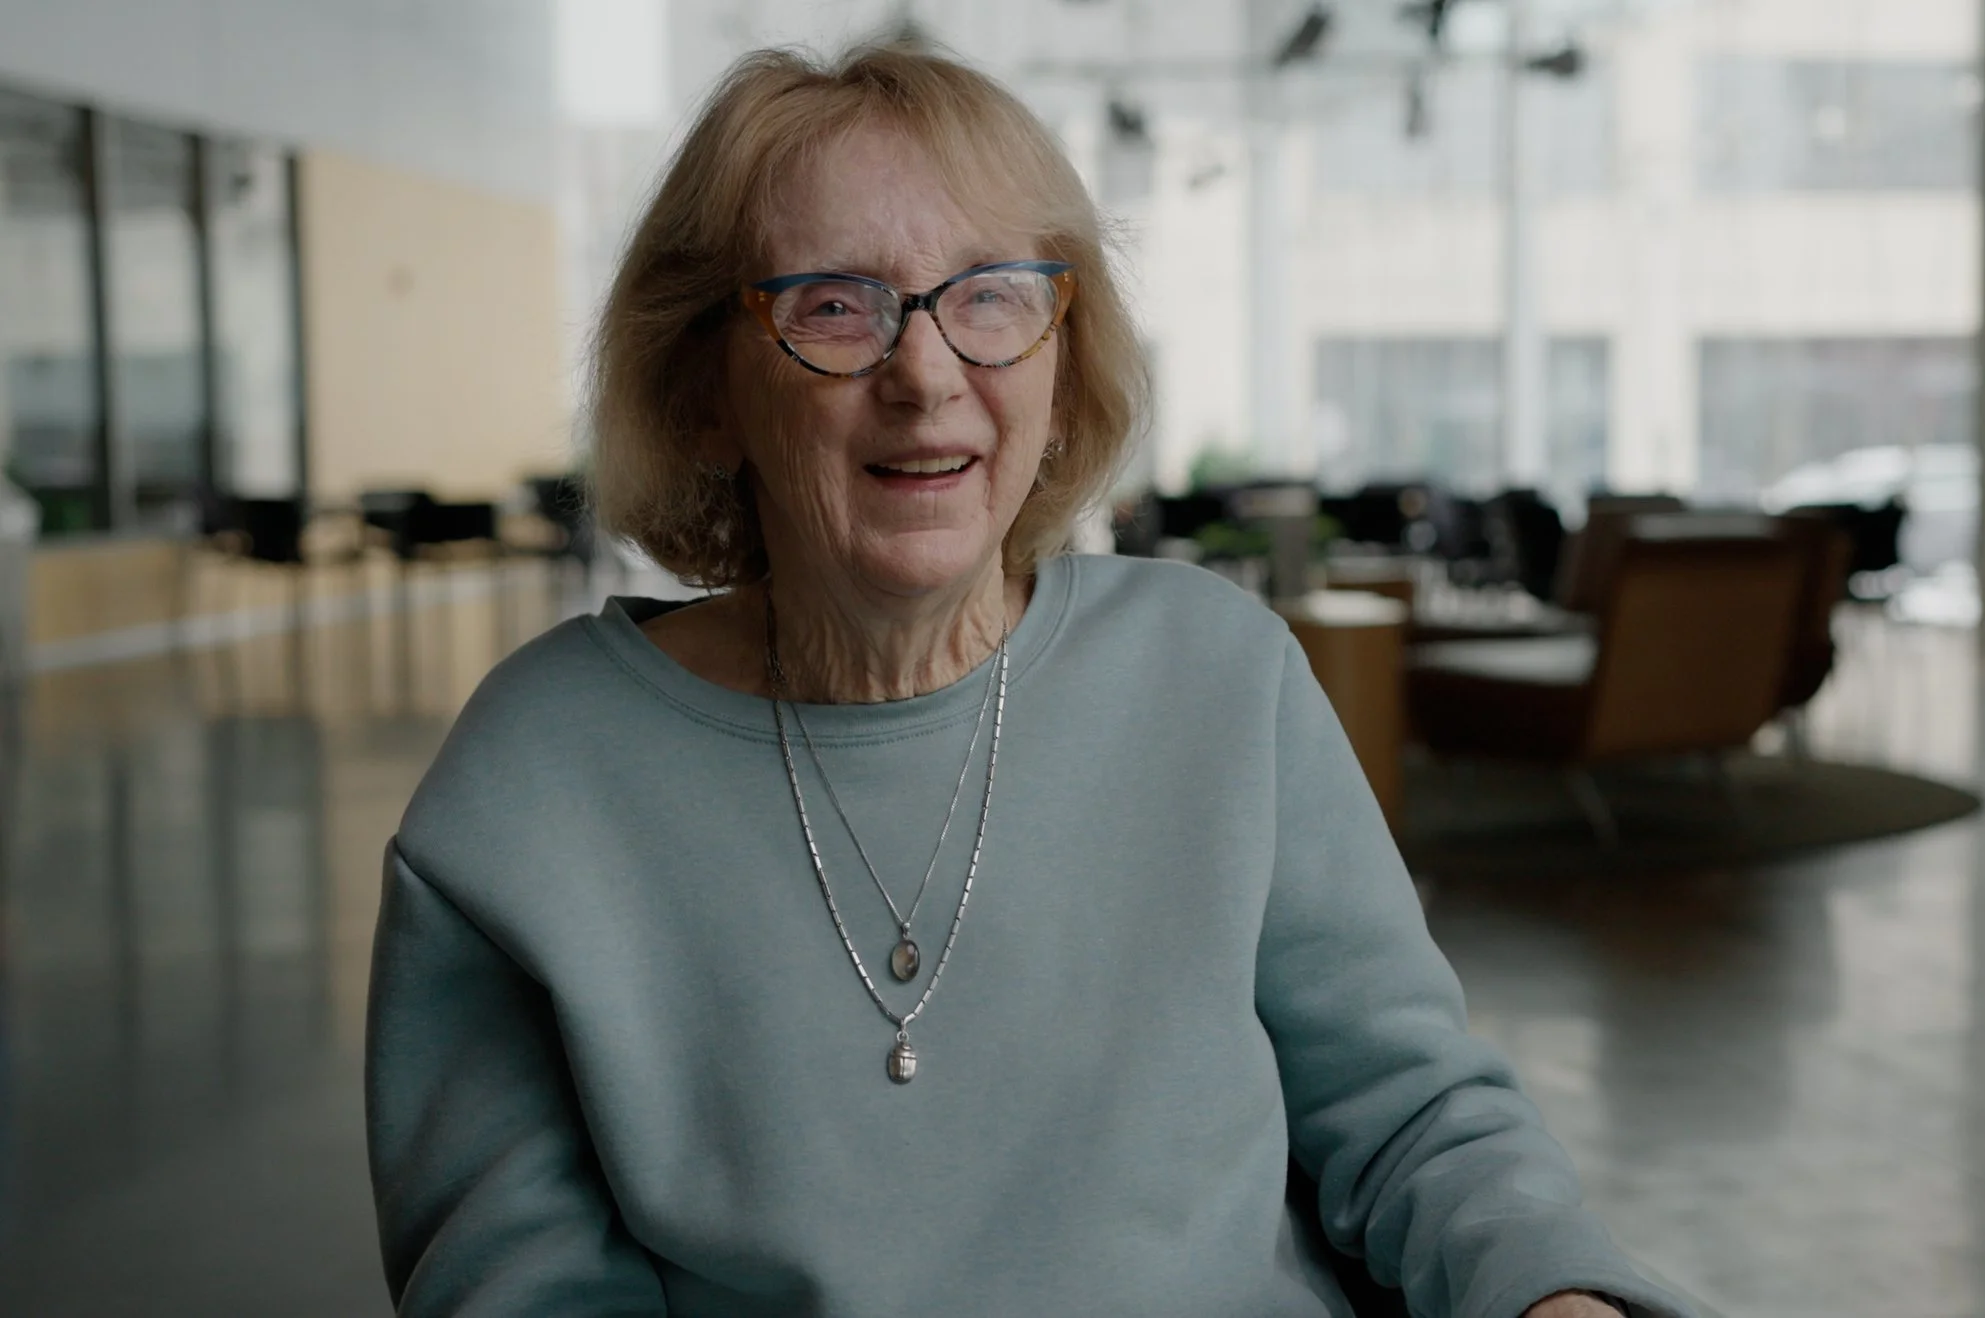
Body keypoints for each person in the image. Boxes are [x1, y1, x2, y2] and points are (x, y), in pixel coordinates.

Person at [364, 42, 1699, 1318]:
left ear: (1060, 370)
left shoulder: (1219, 675)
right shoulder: (532, 786)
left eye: (991, 296)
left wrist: (1547, 1287)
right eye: (837, 304)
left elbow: (1411, 1114)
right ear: (707, 389)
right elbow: (519, 1283)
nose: (927, 373)